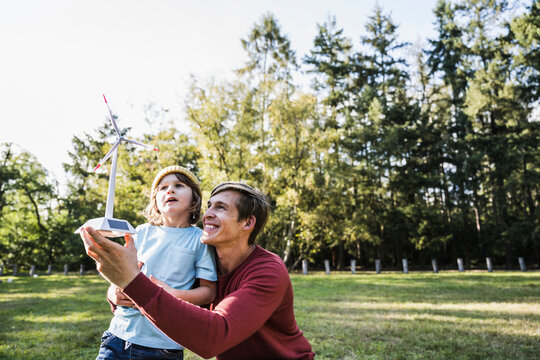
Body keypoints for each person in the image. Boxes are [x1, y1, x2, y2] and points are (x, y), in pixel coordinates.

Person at [81, 181, 315, 360]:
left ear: (247, 223)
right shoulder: (200, 262)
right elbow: (163, 300)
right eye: (210, 206)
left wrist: (132, 281)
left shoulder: (268, 270)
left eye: (221, 208)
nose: (208, 214)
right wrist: (116, 291)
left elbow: (214, 335)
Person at [95, 165, 217, 360]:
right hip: (118, 336)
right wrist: (113, 293)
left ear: (194, 199)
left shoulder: (200, 240)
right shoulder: (140, 232)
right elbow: (119, 277)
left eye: (178, 185)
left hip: (163, 344)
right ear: (155, 202)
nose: (170, 190)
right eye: (162, 188)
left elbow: (208, 292)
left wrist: (171, 294)